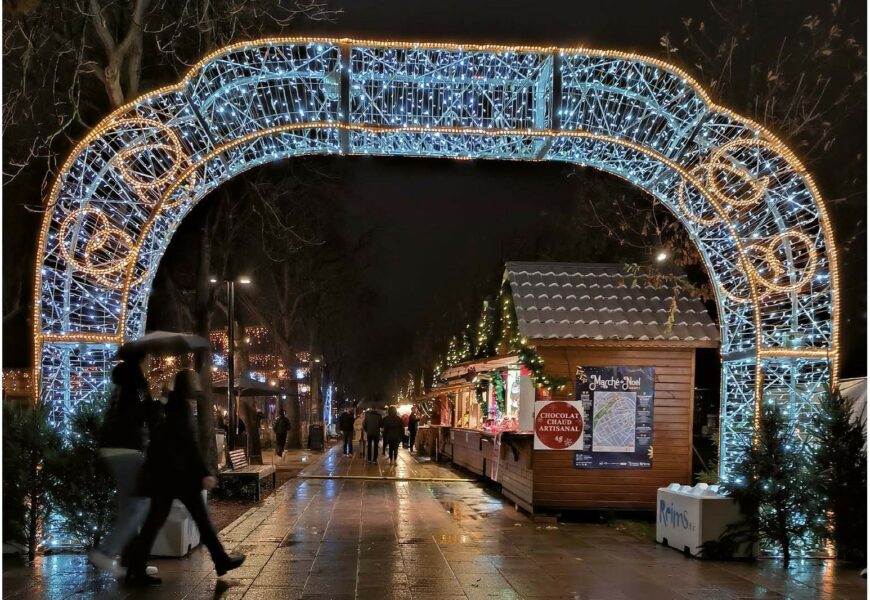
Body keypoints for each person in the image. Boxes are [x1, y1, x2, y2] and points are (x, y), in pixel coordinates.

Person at [123, 370, 245, 586]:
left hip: (167, 476)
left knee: (156, 522)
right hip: (179, 477)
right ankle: (221, 560)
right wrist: (205, 473)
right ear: (188, 385)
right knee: (200, 521)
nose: (198, 384)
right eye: (195, 381)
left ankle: (135, 568)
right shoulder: (181, 408)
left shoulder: (171, 405)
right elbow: (189, 444)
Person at [88, 358, 160, 578]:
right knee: (141, 504)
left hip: (113, 451)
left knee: (128, 508)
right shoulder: (132, 395)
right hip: (127, 452)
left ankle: (132, 565)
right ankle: (106, 551)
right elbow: (144, 420)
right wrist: (152, 400)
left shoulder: (119, 394)